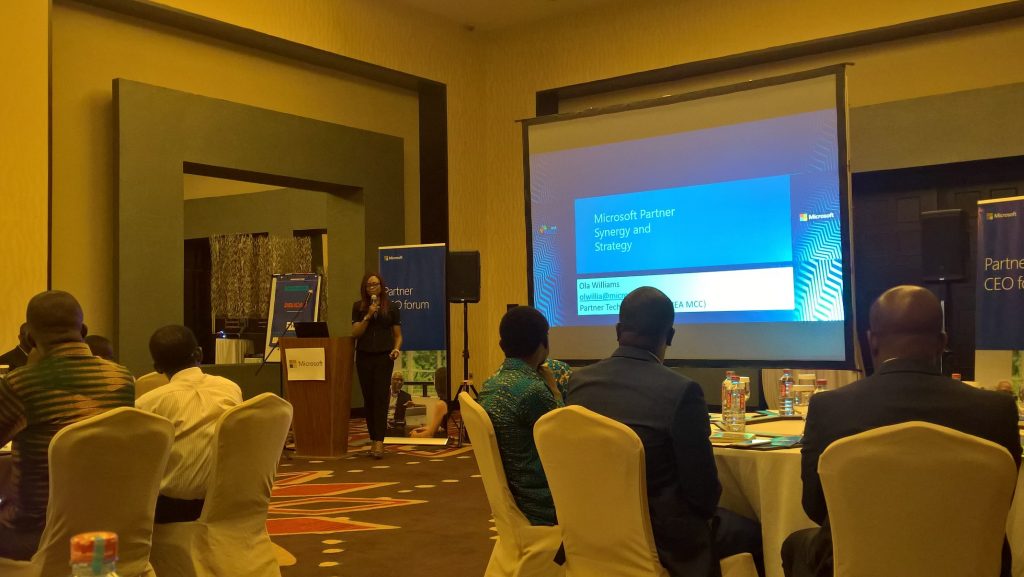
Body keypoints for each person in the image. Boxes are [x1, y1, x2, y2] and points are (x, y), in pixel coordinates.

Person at [782, 285, 1022, 577]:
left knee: (796, 545)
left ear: (872, 341)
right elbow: (999, 501)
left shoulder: (830, 407)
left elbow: (816, 506)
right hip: (971, 563)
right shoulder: (997, 410)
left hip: (861, 563)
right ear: (942, 342)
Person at [568, 286, 763, 577]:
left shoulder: (578, 383)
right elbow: (704, 496)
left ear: (618, 330)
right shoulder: (681, 391)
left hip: (590, 530)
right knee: (758, 533)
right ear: (670, 336)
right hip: (665, 543)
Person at [0, 291, 134, 560]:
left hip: (35, 534)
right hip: (105, 528)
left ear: (29, 338)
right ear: (83, 331)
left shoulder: (20, 384)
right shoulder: (123, 379)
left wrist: (28, 370)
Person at [137, 325, 242, 524]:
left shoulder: (148, 404)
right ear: (199, 353)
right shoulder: (231, 388)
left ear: (157, 368)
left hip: (175, 509)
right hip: (231, 501)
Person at [477, 306, 564, 526]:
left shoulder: (489, 386)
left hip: (512, 499)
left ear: (502, 345)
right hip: (543, 505)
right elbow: (565, 442)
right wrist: (555, 391)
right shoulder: (532, 391)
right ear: (543, 343)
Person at [351, 272, 403, 458]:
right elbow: (355, 333)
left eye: (375, 284)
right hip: (364, 356)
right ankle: (373, 438)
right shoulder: (358, 307)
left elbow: (398, 335)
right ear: (365, 288)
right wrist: (368, 315)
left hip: (384, 356)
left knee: (380, 398)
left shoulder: (392, 307)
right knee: (369, 398)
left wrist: (396, 349)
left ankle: (379, 441)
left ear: (381, 286)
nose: (372, 287)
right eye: (369, 285)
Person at [410, 367, 452, 439]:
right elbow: (437, 427)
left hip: (450, 442)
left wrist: (414, 435)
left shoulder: (441, 404)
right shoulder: (453, 400)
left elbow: (430, 435)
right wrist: (422, 428)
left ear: (438, 383)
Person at [385, 371, 415, 436]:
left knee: (399, 430)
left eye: (401, 380)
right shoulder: (383, 393)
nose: (399, 382)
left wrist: (409, 408)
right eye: (397, 379)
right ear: (391, 380)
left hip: (397, 424)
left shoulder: (406, 396)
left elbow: (410, 417)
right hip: (384, 422)